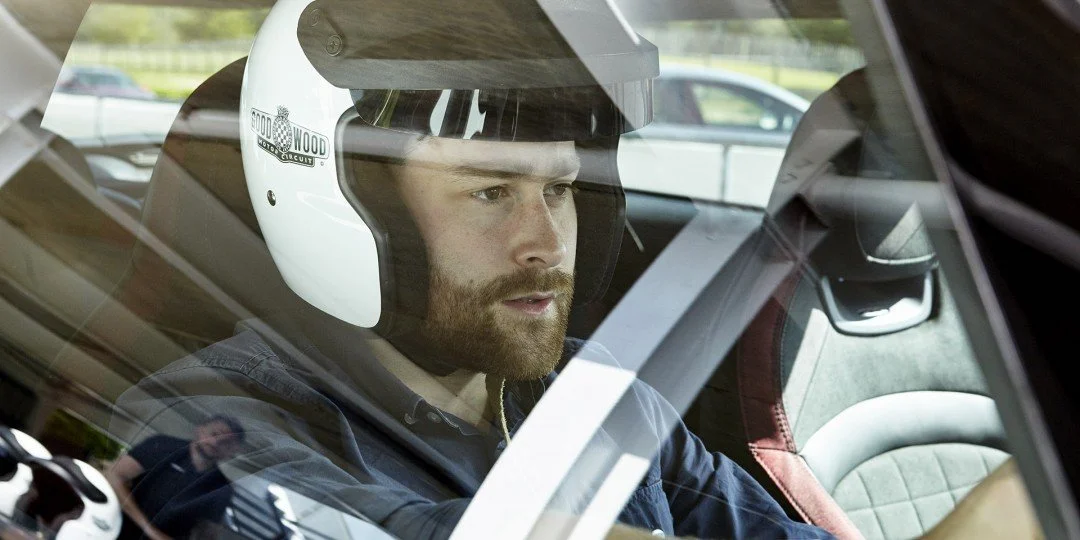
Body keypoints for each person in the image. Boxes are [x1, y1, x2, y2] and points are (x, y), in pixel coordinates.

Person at [114, 0, 835, 538]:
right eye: (491, 193)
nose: (546, 244)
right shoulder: (201, 418)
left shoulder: (603, 400)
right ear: (348, 204)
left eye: (561, 190)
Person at [105, 415, 244, 540]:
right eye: (214, 434)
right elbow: (114, 476)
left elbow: (207, 532)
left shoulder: (221, 487)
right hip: (112, 527)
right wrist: (150, 530)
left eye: (226, 442)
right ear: (200, 430)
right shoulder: (162, 445)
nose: (216, 442)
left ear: (232, 451)